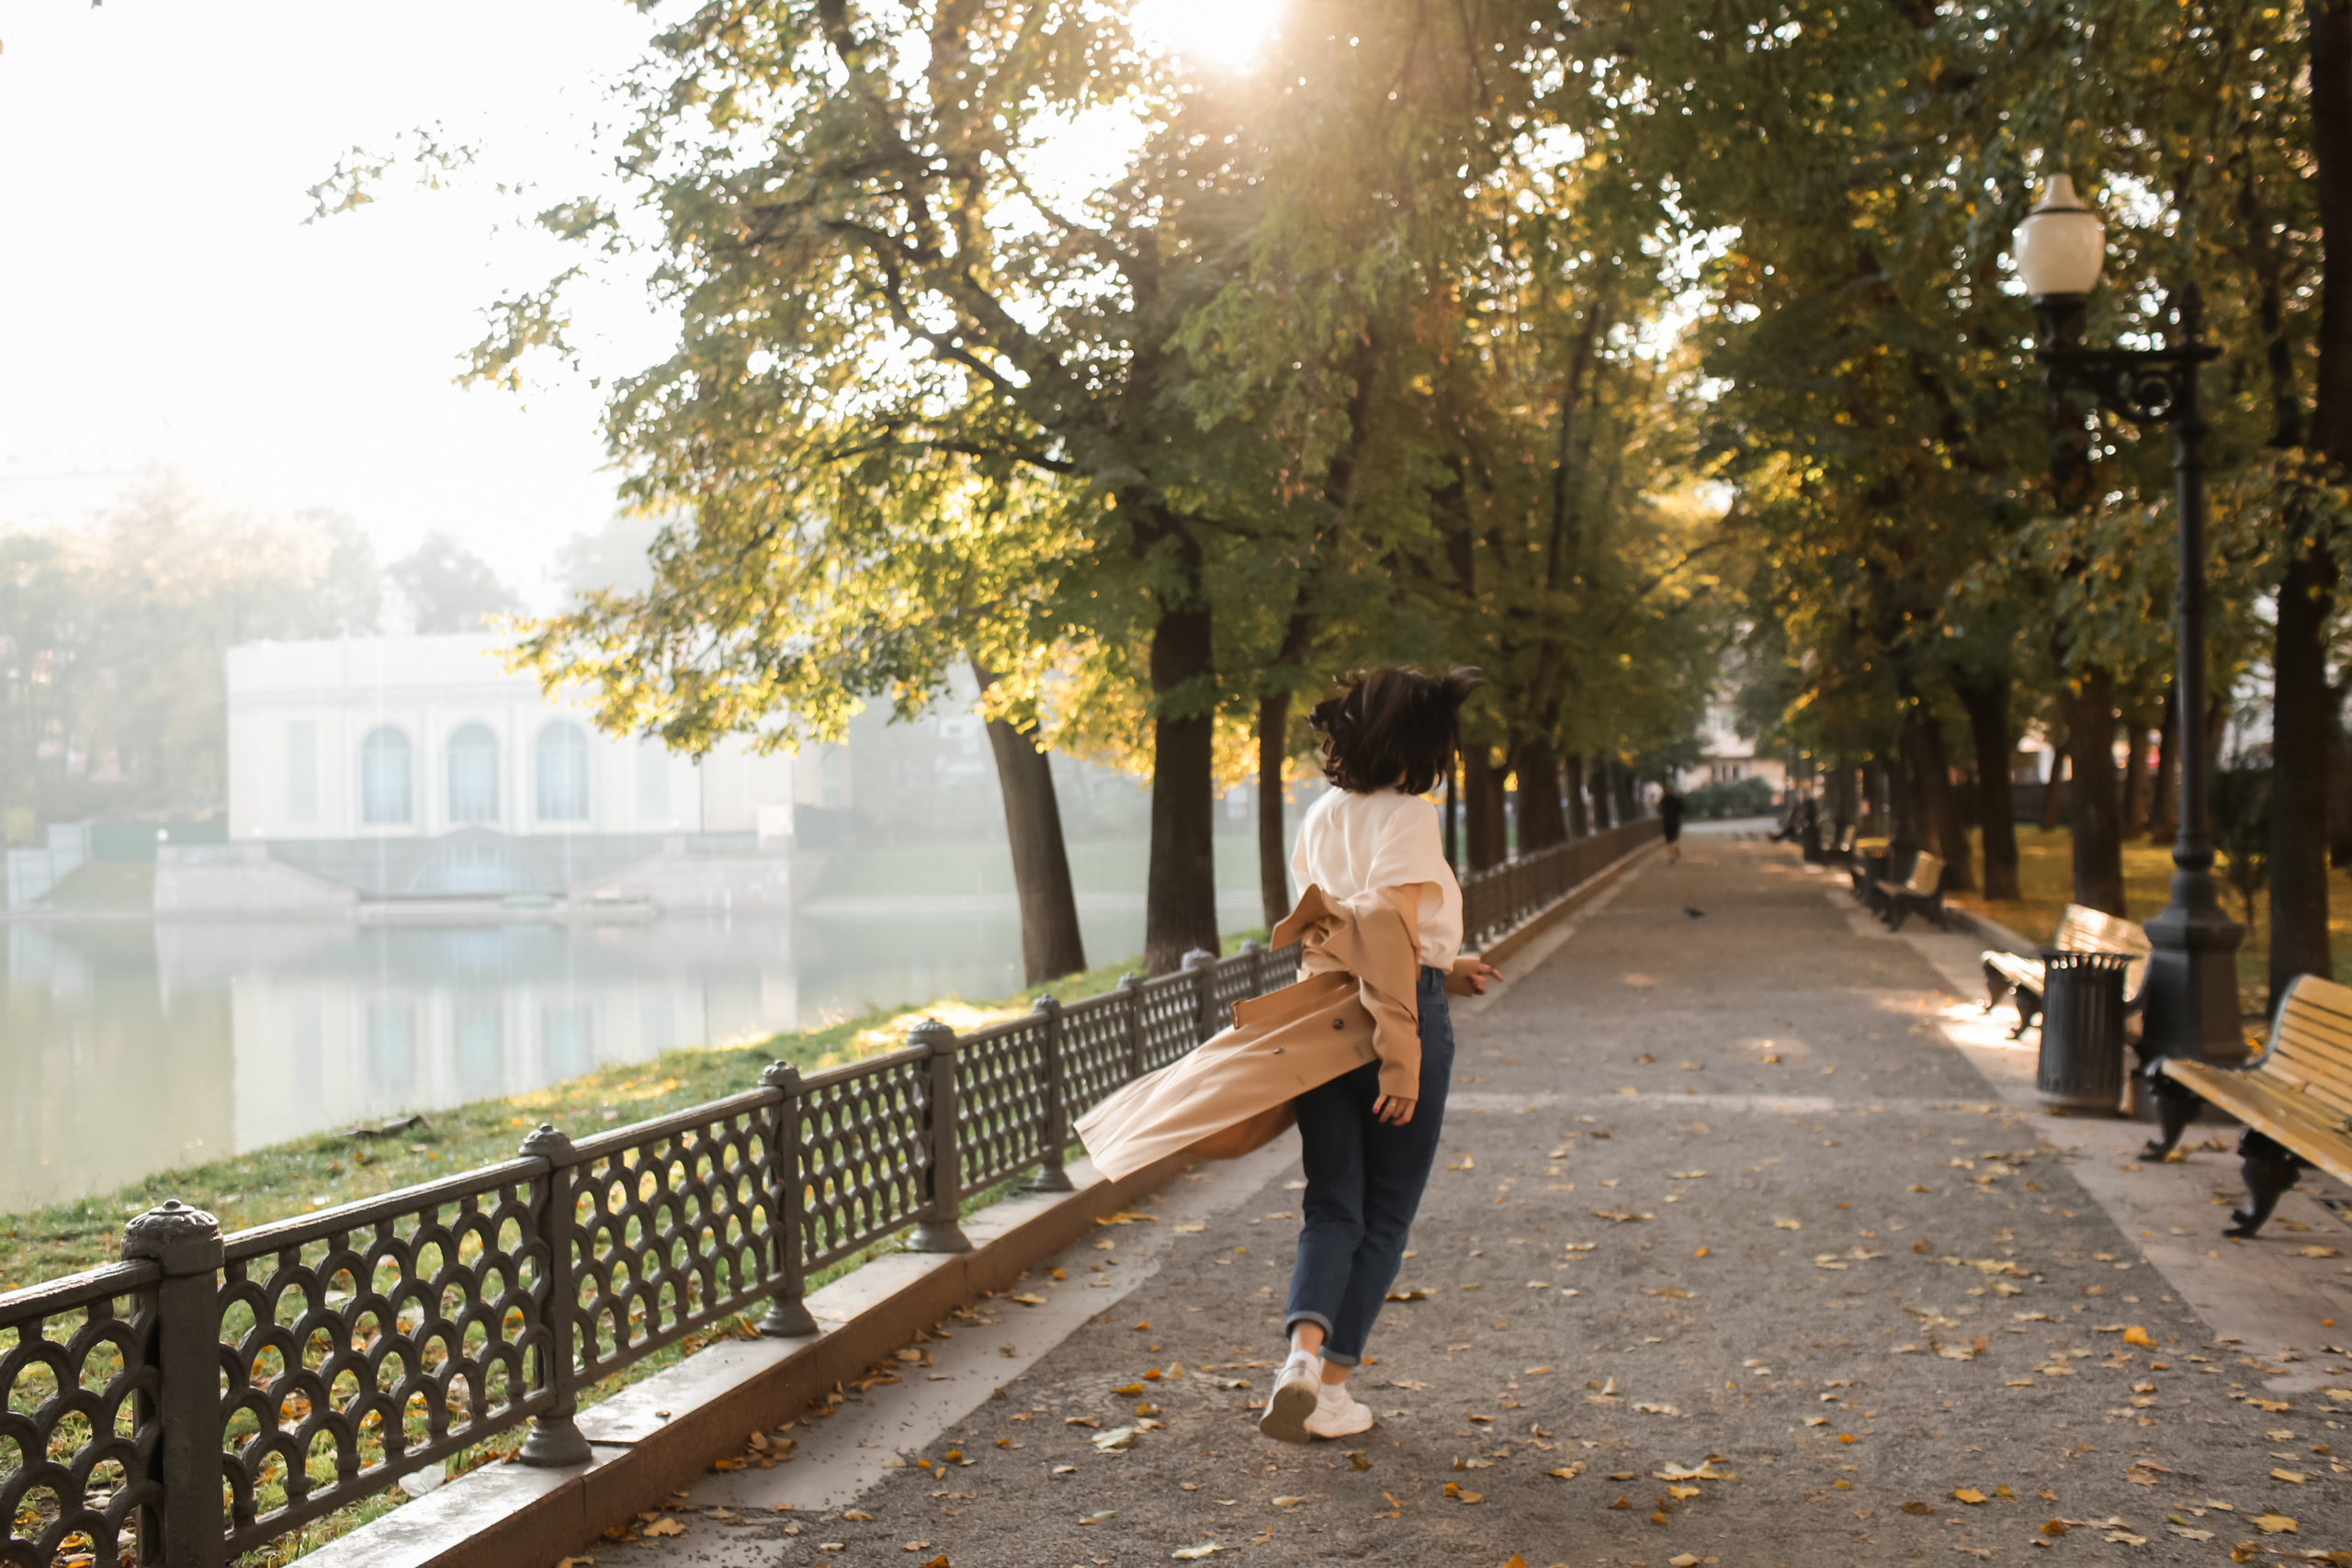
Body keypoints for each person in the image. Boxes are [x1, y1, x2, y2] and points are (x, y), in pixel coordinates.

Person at [1260, 667, 1501, 1444]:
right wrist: (1404, 1053)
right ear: (1416, 748)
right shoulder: (1409, 816)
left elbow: (1342, 931)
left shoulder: (1322, 816)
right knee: (1386, 1213)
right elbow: (1390, 938)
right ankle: (1332, 1391)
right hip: (1394, 1017)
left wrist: (1447, 964)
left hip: (1326, 1015)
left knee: (1333, 1203)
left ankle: (1299, 1356)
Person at [1658, 783, 1686, 863]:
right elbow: (1683, 809)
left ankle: (1671, 856)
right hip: (1675, 820)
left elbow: (1659, 810)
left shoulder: (1664, 799)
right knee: (1675, 837)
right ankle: (1675, 848)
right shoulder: (1677, 799)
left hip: (1667, 821)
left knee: (1668, 839)